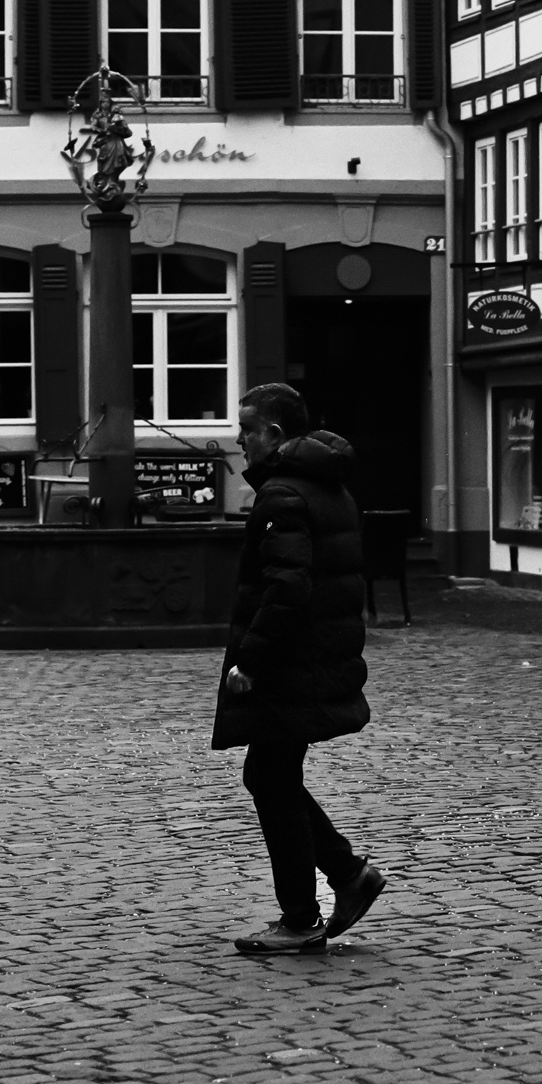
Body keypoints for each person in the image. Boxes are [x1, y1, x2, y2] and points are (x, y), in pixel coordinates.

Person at [214, 381, 387, 956]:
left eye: (246, 430)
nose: (239, 441)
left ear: (274, 433)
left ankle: (303, 916)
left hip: (291, 664)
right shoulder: (326, 485)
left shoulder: (283, 493)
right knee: (270, 776)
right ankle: (347, 876)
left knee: (270, 778)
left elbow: (287, 586)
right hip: (313, 657)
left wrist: (251, 659)